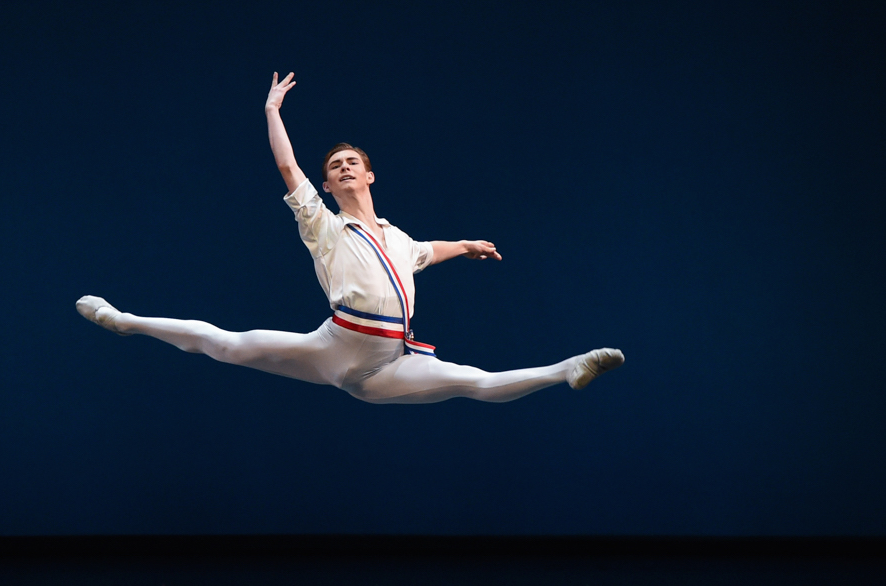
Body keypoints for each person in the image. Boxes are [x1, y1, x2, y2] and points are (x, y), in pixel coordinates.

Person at [76, 72, 623, 404]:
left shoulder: (397, 237)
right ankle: (124, 321)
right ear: (328, 181)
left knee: (475, 382)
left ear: (368, 175)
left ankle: (566, 369)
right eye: (333, 165)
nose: (340, 168)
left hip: (389, 365)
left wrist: (469, 245)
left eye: (350, 163)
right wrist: (271, 111)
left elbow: (429, 252)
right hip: (335, 349)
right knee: (223, 343)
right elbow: (289, 168)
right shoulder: (325, 226)